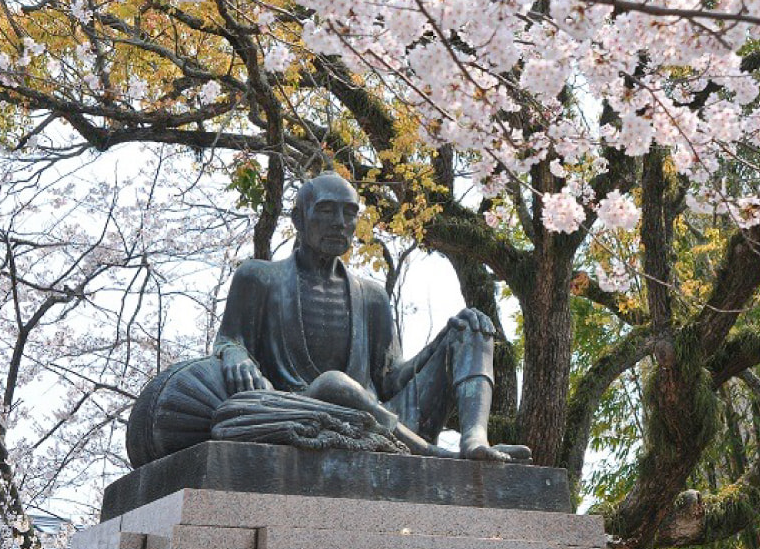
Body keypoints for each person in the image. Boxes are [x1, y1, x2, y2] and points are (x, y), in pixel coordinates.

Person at [212, 171, 529, 461]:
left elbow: (389, 381)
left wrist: (441, 343)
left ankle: (474, 441)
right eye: (326, 210)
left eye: (349, 213)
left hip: (385, 422)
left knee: (470, 325)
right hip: (304, 414)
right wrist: (234, 354)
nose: (339, 222)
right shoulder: (259, 278)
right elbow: (228, 341)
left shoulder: (372, 295)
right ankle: (431, 453)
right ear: (298, 218)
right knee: (334, 383)